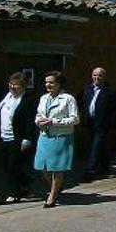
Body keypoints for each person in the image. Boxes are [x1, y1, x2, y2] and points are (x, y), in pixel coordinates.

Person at [33, 71, 80, 208]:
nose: (48, 85)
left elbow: (75, 119)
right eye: (46, 82)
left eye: (51, 82)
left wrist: (53, 121)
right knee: (43, 167)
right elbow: (38, 114)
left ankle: (52, 196)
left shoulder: (68, 99)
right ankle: (57, 187)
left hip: (61, 137)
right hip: (44, 136)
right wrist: (38, 121)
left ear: (59, 84)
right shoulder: (43, 98)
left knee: (57, 167)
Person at [0, 72, 37, 202]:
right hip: (4, 136)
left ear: (23, 87)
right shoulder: (6, 98)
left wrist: (27, 138)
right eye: (11, 84)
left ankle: (14, 193)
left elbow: (29, 121)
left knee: (13, 165)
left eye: (15, 85)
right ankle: (25, 185)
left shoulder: (27, 100)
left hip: (17, 138)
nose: (12, 87)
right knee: (7, 165)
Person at [79, 67, 116, 181]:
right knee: (99, 146)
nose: (96, 78)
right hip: (90, 123)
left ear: (104, 77)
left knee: (96, 146)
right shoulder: (87, 89)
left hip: (103, 124)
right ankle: (105, 167)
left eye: (99, 76)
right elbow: (81, 104)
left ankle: (90, 171)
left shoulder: (111, 91)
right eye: (94, 75)